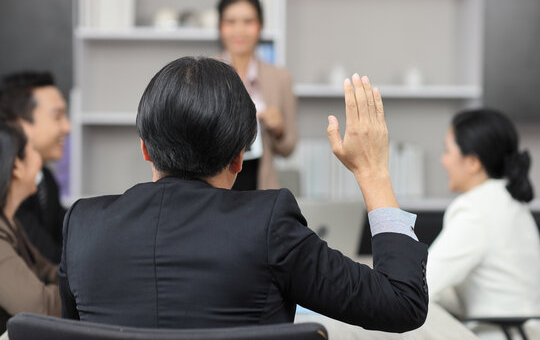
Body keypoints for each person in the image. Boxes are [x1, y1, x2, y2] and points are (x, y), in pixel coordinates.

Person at [58, 57, 428, 331]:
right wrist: (373, 172)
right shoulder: (267, 224)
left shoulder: (83, 225)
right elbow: (400, 304)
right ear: (239, 158)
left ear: (145, 149)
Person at [427, 109, 540, 322]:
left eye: (447, 151)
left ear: (472, 162)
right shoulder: (510, 201)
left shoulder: (474, 210)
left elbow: (420, 287)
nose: (443, 160)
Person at [217, 0, 297, 190]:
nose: (239, 30)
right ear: (220, 27)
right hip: (215, 188)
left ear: (260, 25)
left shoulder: (280, 78)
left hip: (261, 188)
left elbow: (288, 149)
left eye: (248, 21)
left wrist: (279, 130)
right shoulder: (204, 72)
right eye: (231, 22)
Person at [0, 71, 71, 264]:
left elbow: (68, 235)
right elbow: (51, 260)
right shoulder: (8, 189)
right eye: (58, 116)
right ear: (20, 125)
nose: (68, 127)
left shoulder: (45, 179)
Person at [0, 114, 61, 334]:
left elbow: (46, 270)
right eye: (34, 150)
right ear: (16, 166)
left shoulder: (11, 222)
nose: (40, 161)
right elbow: (41, 307)